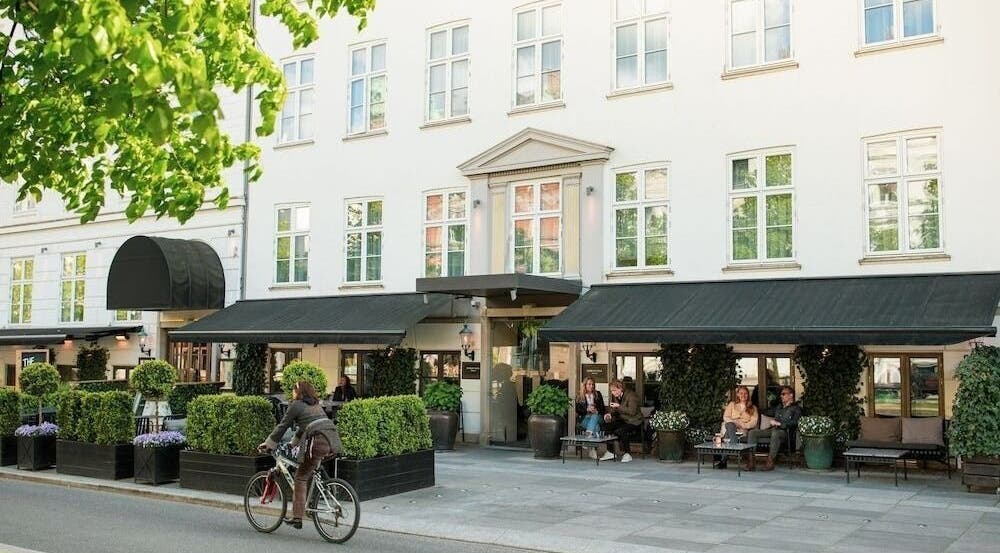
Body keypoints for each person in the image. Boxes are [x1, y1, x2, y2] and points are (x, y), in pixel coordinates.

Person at [259, 380, 342, 529]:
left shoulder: (296, 405)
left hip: (316, 442)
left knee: (300, 477)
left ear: (298, 392)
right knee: (309, 467)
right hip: (331, 441)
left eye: (293, 390)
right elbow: (304, 428)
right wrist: (293, 444)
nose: (292, 393)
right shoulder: (315, 405)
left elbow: (282, 426)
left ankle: (297, 518)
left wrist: (269, 444)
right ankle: (315, 499)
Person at [748, 386, 801, 471]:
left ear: (791, 395)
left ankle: (770, 462)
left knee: (775, 433)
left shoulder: (796, 408)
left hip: (785, 432)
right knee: (752, 432)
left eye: (783, 394)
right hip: (773, 430)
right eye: (781, 394)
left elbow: (795, 422)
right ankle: (751, 461)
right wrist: (753, 407)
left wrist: (780, 424)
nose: (781, 396)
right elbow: (765, 411)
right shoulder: (779, 407)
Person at [715, 385, 758, 469]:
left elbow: (753, 422)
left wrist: (741, 424)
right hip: (730, 426)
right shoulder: (732, 404)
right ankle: (734, 446)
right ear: (737, 394)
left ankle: (724, 460)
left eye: (745, 393)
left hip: (742, 430)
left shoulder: (753, 408)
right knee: (730, 425)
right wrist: (735, 422)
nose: (743, 395)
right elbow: (726, 417)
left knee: (729, 432)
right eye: (741, 393)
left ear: (748, 395)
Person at [603, 379, 643, 463]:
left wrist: (618, 406)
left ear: (621, 388)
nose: (613, 393)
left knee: (621, 431)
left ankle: (627, 453)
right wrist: (610, 414)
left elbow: (632, 411)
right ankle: (610, 451)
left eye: (615, 390)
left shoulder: (631, 395)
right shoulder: (615, 396)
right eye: (612, 391)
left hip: (634, 421)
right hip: (624, 419)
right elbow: (614, 410)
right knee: (607, 426)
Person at [575, 377, 613, 461]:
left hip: (598, 417)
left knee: (595, 416)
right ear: (585, 385)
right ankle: (593, 450)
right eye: (589, 384)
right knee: (596, 427)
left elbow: (602, 409)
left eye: (592, 384)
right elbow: (577, 410)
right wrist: (587, 410)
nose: (591, 386)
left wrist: (596, 410)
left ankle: (587, 437)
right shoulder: (579, 395)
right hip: (585, 419)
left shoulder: (597, 394)